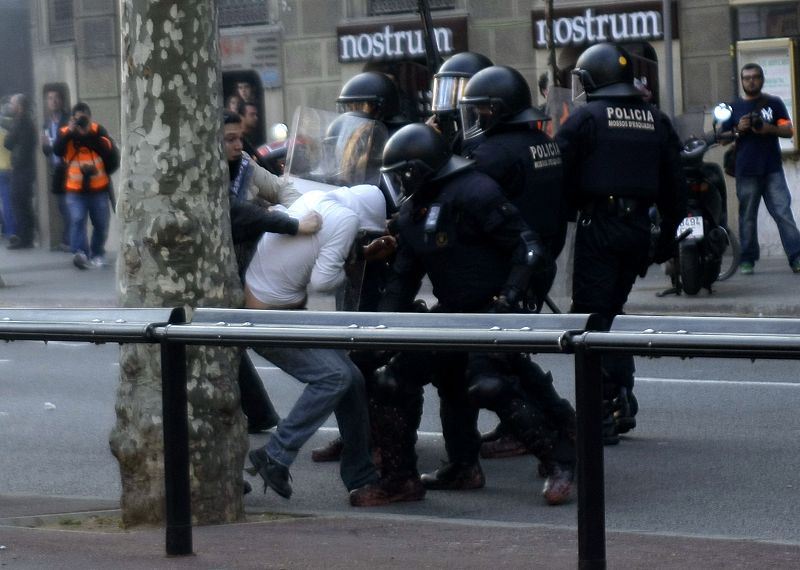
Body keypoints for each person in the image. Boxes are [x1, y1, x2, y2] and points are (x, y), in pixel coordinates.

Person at [349, 124, 576, 507]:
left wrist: (508, 300)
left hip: (494, 309)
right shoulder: (413, 213)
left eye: (403, 173)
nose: (400, 183)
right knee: (392, 380)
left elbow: (529, 249)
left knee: (486, 382)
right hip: (453, 313)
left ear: (420, 169)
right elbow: (402, 280)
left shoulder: (476, 191)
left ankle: (560, 462)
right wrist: (379, 332)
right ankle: (409, 478)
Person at [555, 43, 686, 444]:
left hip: (599, 226)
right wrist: (666, 240)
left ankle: (603, 412)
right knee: (611, 313)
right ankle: (621, 400)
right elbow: (676, 187)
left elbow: (559, 172)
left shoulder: (586, 119)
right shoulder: (655, 119)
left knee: (591, 320)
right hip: (638, 229)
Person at [457, 64, 575, 460]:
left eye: (479, 109)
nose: (475, 117)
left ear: (496, 109)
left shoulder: (491, 153)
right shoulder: (543, 142)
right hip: (539, 260)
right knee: (508, 351)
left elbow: (468, 203)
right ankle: (557, 421)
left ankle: (542, 432)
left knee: (489, 359)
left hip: (506, 266)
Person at [245, 185, 389, 501]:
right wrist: (349, 264)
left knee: (351, 379)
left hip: (272, 307)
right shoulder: (349, 218)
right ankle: (275, 454)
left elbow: (311, 250)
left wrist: (359, 253)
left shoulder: (318, 198)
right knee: (334, 377)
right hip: (268, 316)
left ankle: (361, 477)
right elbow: (323, 282)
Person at [223, 109, 306, 434]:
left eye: (240, 138)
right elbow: (234, 212)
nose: (238, 145)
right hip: (219, 267)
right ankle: (258, 412)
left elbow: (281, 188)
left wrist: (298, 211)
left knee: (227, 339)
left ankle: (258, 413)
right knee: (225, 339)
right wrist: (284, 221)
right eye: (230, 139)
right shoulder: (203, 173)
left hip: (247, 266)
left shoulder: (246, 165)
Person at [722, 63, 800, 275]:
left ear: (762, 79)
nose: (751, 81)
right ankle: (747, 260)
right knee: (747, 217)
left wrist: (768, 128)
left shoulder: (774, 103)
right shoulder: (733, 107)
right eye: (747, 78)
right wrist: (738, 129)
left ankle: (796, 256)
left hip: (772, 168)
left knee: (783, 213)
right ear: (741, 81)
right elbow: (722, 138)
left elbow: (788, 130)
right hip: (746, 170)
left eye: (755, 77)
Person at [52, 101, 119, 269]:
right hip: (74, 188)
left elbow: (109, 153)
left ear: (90, 118)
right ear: (72, 119)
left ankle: (97, 253)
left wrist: (88, 134)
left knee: (101, 223)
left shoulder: (98, 131)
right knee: (77, 219)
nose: (81, 122)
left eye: (84, 119)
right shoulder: (66, 132)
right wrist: (70, 132)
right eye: (78, 119)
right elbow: (57, 150)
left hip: (99, 187)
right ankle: (80, 253)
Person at [4, 94, 37, 250]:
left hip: (21, 167)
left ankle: (24, 237)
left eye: (12, 104)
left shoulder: (20, 122)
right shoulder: (27, 121)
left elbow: (8, 142)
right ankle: (26, 236)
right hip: (25, 166)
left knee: (19, 201)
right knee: (23, 201)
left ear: (19, 106)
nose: (10, 106)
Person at [41, 88, 71, 252]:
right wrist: (45, 145)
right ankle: (67, 240)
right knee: (62, 206)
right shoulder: (46, 123)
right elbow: (47, 151)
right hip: (56, 169)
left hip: (69, 168)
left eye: (56, 98)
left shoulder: (68, 120)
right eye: (50, 98)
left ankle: (70, 241)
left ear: (62, 101)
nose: (53, 101)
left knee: (69, 205)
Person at [0, 101, 15, 240]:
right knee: (7, 201)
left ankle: (7, 229)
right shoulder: (6, 133)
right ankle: (10, 230)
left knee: (5, 202)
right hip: (8, 169)